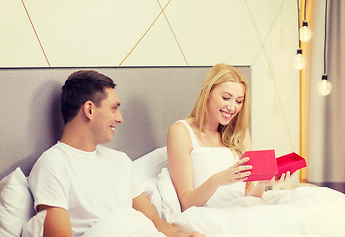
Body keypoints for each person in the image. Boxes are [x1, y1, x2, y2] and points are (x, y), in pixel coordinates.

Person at [28, 70, 204, 237]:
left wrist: (185, 235)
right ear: (89, 109)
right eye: (114, 108)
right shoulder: (53, 164)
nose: (120, 118)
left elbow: (155, 224)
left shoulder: (120, 161)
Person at [167, 63, 291, 211]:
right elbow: (186, 204)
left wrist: (262, 184)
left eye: (239, 101)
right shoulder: (181, 131)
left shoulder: (241, 134)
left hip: (241, 211)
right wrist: (218, 180)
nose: (233, 107)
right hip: (208, 216)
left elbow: (247, 195)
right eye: (226, 98)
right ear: (207, 92)